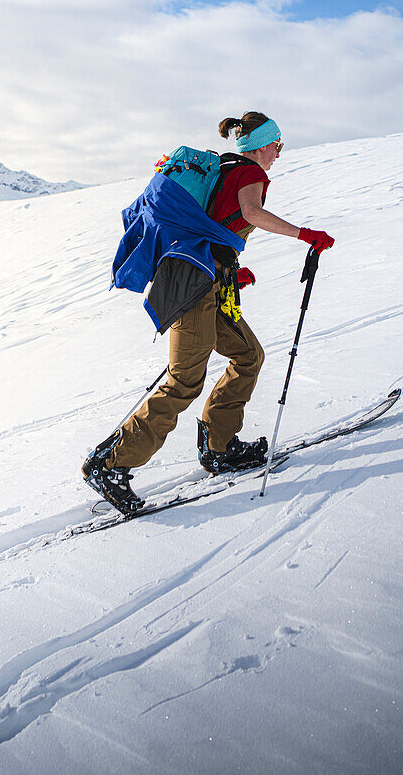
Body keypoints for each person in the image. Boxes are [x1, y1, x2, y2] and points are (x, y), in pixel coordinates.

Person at [82, 111, 335, 514]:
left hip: (208, 277)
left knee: (248, 355)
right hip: (194, 282)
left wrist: (232, 270)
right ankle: (111, 464)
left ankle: (219, 447)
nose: (278, 154)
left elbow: (215, 228)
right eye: (277, 146)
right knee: (184, 380)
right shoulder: (250, 172)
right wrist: (306, 235)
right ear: (263, 144)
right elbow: (251, 214)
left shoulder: (226, 169)